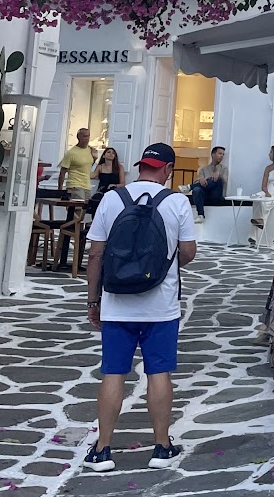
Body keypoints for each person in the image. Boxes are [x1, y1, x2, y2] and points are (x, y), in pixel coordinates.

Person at [83, 142, 196, 472]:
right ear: (168, 170)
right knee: (158, 372)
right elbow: (188, 252)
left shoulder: (112, 199)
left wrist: (94, 301)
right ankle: (161, 447)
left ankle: (102, 450)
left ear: (140, 166)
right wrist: (165, 263)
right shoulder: (177, 202)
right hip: (161, 306)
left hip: (117, 304)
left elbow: (95, 255)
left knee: (113, 372)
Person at [57, 128, 97, 202]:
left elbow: (87, 167)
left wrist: (94, 159)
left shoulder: (90, 150)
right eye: (84, 136)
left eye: (88, 136)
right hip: (75, 185)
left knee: (84, 210)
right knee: (76, 210)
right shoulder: (71, 153)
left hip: (87, 185)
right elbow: (62, 172)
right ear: (78, 137)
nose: (87, 139)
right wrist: (60, 190)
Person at [190, 145, 228, 220]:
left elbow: (225, 181)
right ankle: (201, 215)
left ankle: (189, 187)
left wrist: (219, 175)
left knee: (218, 179)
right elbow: (198, 181)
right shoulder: (203, 170)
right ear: (213, 154)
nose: (222, 156)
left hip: (217, 196)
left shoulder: (224, 169)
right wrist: (202, 180)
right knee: (196, 189)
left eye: (223, 154)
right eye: (220, 153)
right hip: (205, 195)